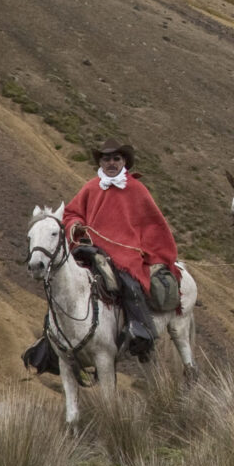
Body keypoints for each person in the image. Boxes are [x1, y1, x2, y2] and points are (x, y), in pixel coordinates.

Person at [61, 140, 179, 358]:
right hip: (92, 251)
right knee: (61, 283)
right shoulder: (91, 187)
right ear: (101, 162)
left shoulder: (136, 189)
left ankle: (141, 332)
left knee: (129, 282)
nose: (111, 163)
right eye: (106, 159)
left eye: (116, 158)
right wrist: (75, 225)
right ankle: (54, 339)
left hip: (126, 253)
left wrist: (150, 251)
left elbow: (154, 224)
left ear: (124, 161)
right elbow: (70, 213)